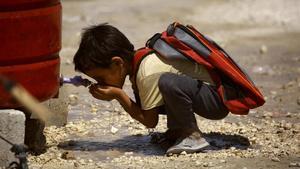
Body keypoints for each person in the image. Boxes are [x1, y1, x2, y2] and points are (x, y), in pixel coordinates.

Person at [73, 23, 229, 154]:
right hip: (206, 95)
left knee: (168, 83)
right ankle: (177, 131)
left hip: (217, 101)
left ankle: (192, 136)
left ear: (117, 63)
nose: (100, 83)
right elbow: (147, 109)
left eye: (101, 78)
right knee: (154, 94)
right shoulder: (138, 64)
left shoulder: (146, 72)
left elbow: (149, 121)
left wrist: (119, 95)